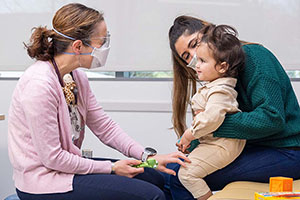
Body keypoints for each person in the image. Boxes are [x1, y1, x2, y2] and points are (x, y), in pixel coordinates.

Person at [7, 3, 189, 200]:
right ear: (78, 46)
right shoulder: (39, 85)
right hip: (43, 182)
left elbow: (104, 126)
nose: (105, 47)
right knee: (152, 195)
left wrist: (148, 158)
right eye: (101, 42)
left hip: (67, 170)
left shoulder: (76, 77)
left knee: (154, 176)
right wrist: (111, 168)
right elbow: (53, 158)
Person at [162, 15, 300, 200]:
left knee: (180, 179)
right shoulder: (218, 77)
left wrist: (211, 123)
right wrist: (193, 143)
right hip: (252, 147)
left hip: (287, 151)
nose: (194, 56)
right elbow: (222, 123)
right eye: (187, 56)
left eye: (195, 44)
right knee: (169, 171)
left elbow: (271, 118)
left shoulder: (255, 57)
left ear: (210, 33)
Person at [176, 24, 246, 200]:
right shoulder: (213, 86)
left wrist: (189, 134)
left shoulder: (221, 90)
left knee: (186, 174)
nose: (196, 65)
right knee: (181, 169)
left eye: (202, 61)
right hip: (214, 143)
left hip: (222, 145)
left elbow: (212, 118)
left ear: (222, 67)